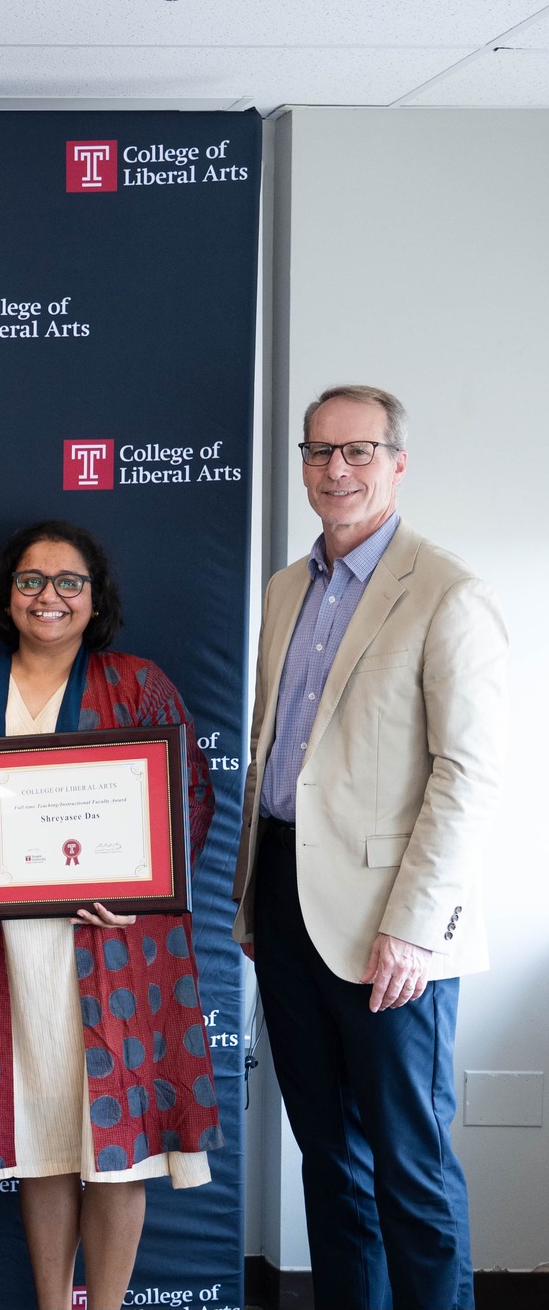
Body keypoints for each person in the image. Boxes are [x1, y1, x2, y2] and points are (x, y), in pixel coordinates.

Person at [233, 386, 503, 1310]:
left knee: (410, 1164)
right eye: (318, 452)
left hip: (395, 928)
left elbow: (466, 778)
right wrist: (249, 900)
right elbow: (277, 753)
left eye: (357, 451)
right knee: (329, 1158)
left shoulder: (448, 593)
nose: (335, 470)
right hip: (284, 896)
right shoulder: (284, 587)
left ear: (396, 461)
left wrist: (415, 929)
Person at [0, 519, 222, 1310]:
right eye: (30, 580)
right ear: (7, 594)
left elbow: (190, 796)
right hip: (8, 949)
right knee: (45, 1136)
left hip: (113, 944)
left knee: (116, 1149)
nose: (48, 596)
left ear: (95, 599)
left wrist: (135, 881)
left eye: (68, 582)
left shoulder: (137, 682)